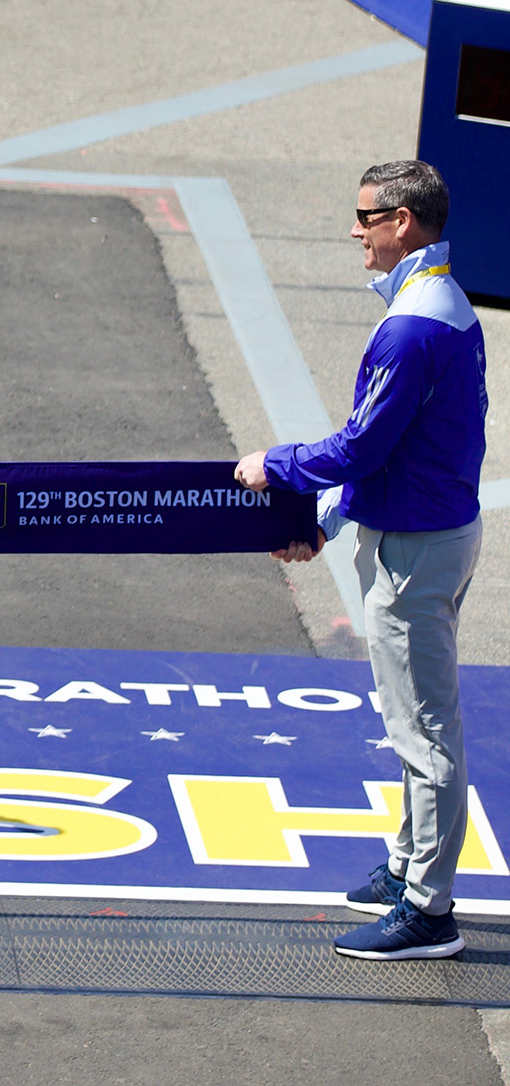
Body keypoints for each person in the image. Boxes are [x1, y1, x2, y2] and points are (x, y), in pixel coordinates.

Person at [234, 159, 486, 962]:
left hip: (416, 548)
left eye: (365, 217)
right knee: (413, 717)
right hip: (423, 529)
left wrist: (278, 464)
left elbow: (362, 443)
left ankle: (428, 909)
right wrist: (333, 522)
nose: (356, 231)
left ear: (403, 222)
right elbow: (399, 449)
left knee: (424, 729)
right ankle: (411, 865)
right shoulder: (438, 307)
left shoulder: (414, 324)